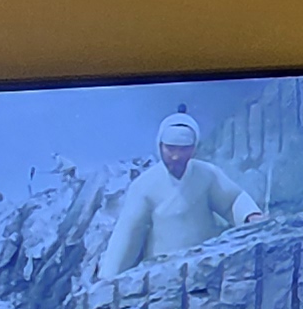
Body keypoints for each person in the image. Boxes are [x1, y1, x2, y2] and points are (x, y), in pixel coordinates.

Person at [99, 111, 263, 275]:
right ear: (160, 146)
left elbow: (232, 200)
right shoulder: (144, 186)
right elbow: (128, 234)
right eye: (170, 148)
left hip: (206, 264)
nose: (176, 156)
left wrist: (250, 215)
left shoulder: (207, 174)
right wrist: (109, 276)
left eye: (184, 149)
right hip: (162, 271)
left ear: (194, 148)